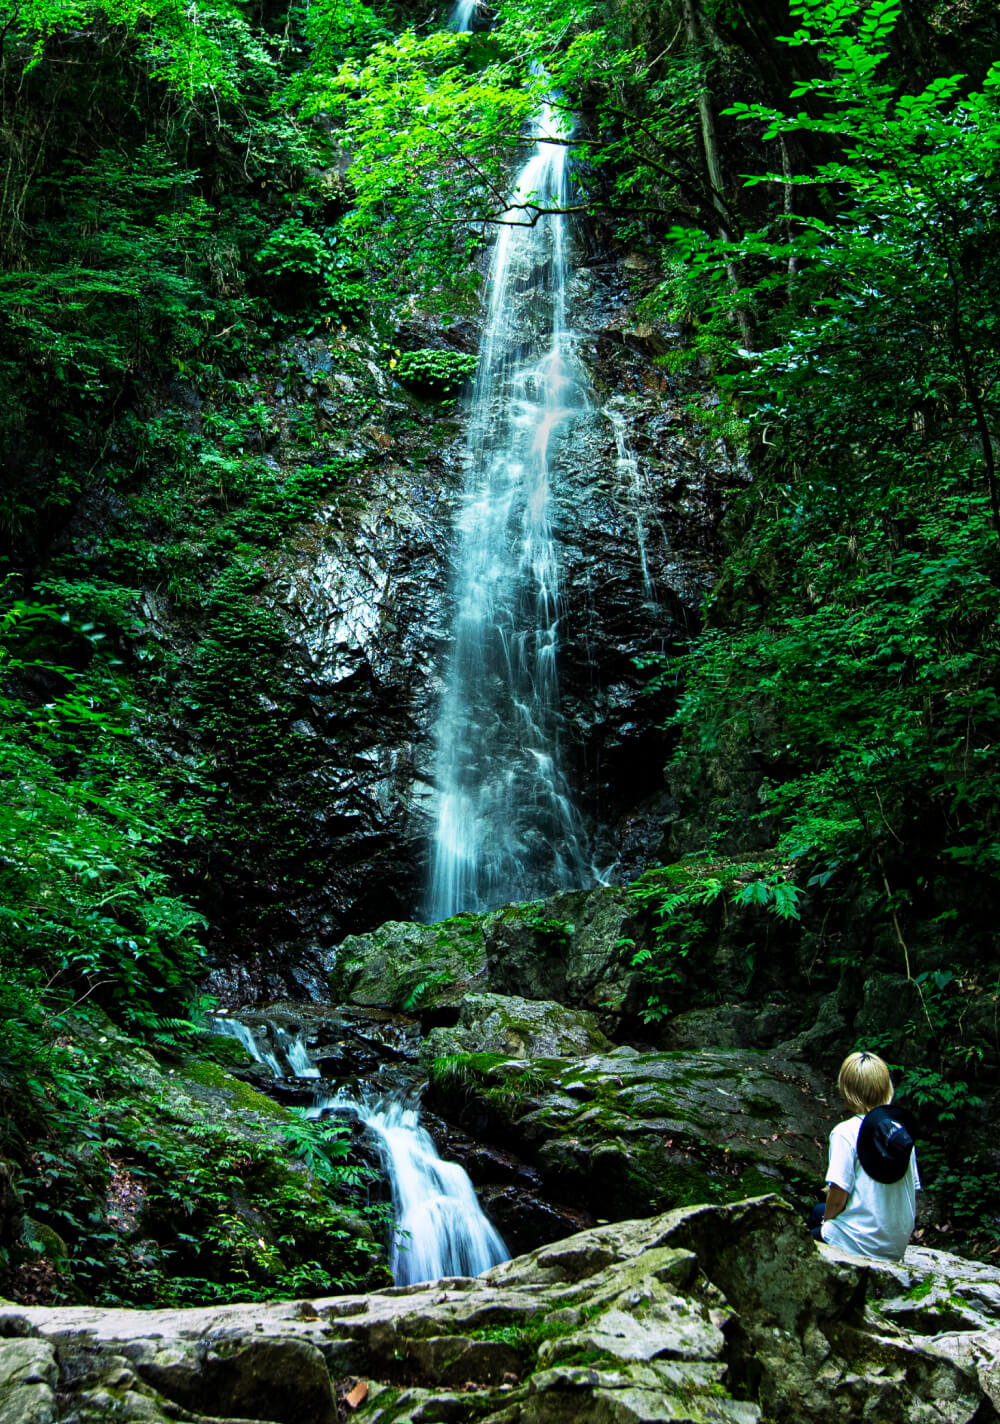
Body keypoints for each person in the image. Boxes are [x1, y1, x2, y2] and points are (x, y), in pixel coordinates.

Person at [808, 1050, 920, 1261]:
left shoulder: (846, 1132)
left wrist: (827, 1225)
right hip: (894, 1246)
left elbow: (838, 1198)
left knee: (807, 1239)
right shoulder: (900, 1133)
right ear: (888, 1087)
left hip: (859, 1243)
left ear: (847, 1090)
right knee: (817, 1211)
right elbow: (911, 1193)